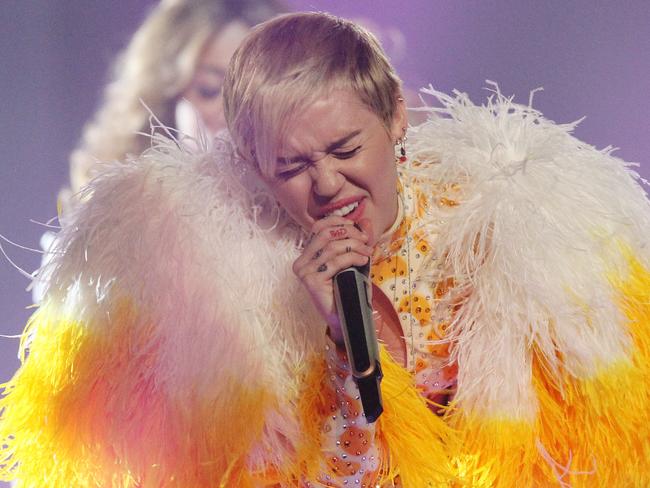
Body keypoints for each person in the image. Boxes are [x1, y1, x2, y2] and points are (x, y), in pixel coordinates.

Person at [2, 11, 650, 487]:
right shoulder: (237, 292)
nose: (328, 183)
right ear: (252, 166)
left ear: (395, 115)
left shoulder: (507, 233)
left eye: (345, 150)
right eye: (292, 166)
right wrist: (343, 342)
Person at [61, 0, 285, 214]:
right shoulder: (115, 210)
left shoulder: (297, 209)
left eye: (250, 95)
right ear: (163, 99)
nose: (231, 114)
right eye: (209, 90)